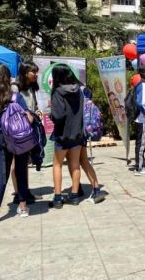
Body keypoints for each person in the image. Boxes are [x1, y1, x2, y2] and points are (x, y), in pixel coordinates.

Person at [0, 64, 32, 225]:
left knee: (2, 175)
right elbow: (27, 116)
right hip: (19, 139)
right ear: (7, 77)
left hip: (1, 140)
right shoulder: (15, 96)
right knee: (21, 171)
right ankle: (23, 207)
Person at [50, 64, 84, 208]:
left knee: (57, 165)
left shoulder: (58, 92)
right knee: (75, 165)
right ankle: (74, 196)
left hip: (62, 134)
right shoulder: (79, 90)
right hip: (77, 133)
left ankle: (58, 198)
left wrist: (51, 113)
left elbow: (58, 115)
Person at [11, 61, 40, 204]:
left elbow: (33, 104)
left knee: (24, 161)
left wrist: (36, 112)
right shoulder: (15, 88)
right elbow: (13, 109)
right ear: (24, 73)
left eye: (36, 72)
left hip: (30, 126)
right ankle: (18, 193)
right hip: (18, 128)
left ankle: (25, 190)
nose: (35, 74)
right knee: (16, 162)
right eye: (33, 72)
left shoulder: (31, 87)